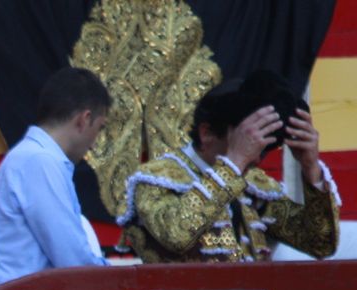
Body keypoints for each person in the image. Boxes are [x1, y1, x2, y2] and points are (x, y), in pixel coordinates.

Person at [120, 70, 339, 264]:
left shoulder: (253, 184)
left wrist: (311, 171)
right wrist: (234, 162)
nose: (255, 159)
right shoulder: (155, 179)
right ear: (207, 133)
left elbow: (319, 243)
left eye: (262, 149)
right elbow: (176, 234)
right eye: (245, 142)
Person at [0, 67, 110, 290]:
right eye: (99, 129)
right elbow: (73, 261)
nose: (95, 143)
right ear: (84, 120)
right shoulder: (39, 162)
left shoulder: (36, 158)